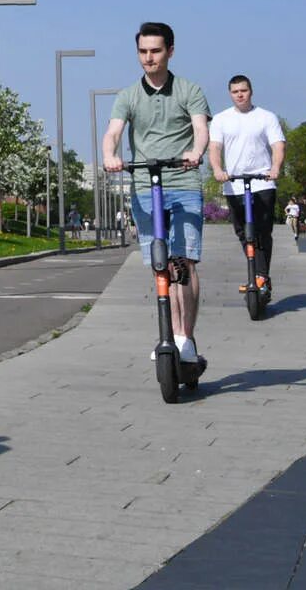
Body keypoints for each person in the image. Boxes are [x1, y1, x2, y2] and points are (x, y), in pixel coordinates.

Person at [103, 22, 211, 365]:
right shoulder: (128, 96)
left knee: (184, 261)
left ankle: (185, 338)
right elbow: (114, 133)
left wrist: (196, 152)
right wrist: (110, 155)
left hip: (182, 183)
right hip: (146, 187)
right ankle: (169, 332)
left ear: (170, 51)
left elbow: (200, 128)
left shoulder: (189, 90)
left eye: (156, 51)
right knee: (160, 265)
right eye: (143, 52)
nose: (149, 58)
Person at [207, 75, 285, 293]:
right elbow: (215, 148)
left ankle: (261, 276)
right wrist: (217, 170)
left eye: (243, 90)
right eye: (235, 91)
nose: (240, 95)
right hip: (234, 184)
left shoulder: (266, 117)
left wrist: (275, 168)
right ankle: (260, 275)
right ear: (230, 94)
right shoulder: (221, 119)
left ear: (251, 91)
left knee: (262, 231)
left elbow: (278, 146)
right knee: (243, 232)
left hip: (263, 182)